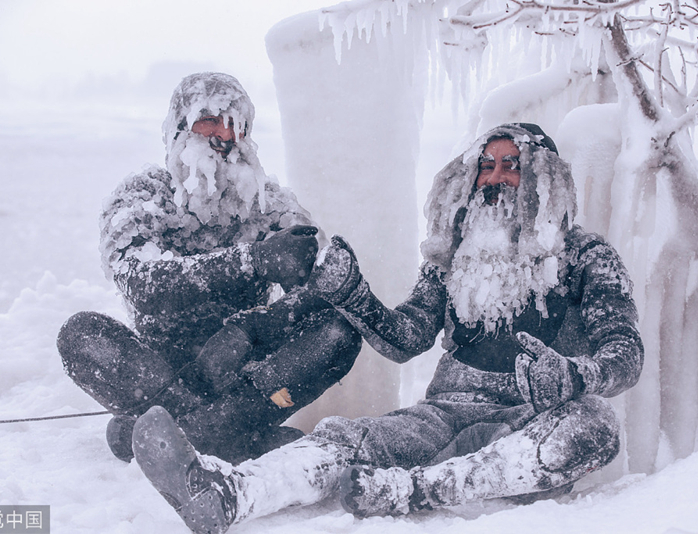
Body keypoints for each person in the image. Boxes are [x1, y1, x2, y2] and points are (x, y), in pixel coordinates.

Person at [128, 123, 644, 533]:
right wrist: (351, 293)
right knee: (349, 438)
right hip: (442, 414)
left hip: (529, 424)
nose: (494, 177)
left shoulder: (586, 257)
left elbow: (625, 353)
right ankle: (231, 494)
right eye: (485, 166)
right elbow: (405, 338)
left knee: (595, 424)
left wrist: (574, 377)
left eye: (512, 165)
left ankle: (412, 490)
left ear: (545, 176)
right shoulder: (452, 257)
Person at [56, 72, 362, 464]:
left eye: (236, 125)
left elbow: (325, 288)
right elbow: (143, 283)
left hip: (248, 382)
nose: (224, 135)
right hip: (158, 375)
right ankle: (225, 436)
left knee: (339, 333)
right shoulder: (142, 196)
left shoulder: (268, 202)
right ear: (180, 128)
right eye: (210, 121)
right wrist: (252, 260)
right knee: (80, 335)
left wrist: (251, 328)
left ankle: (179, 434)